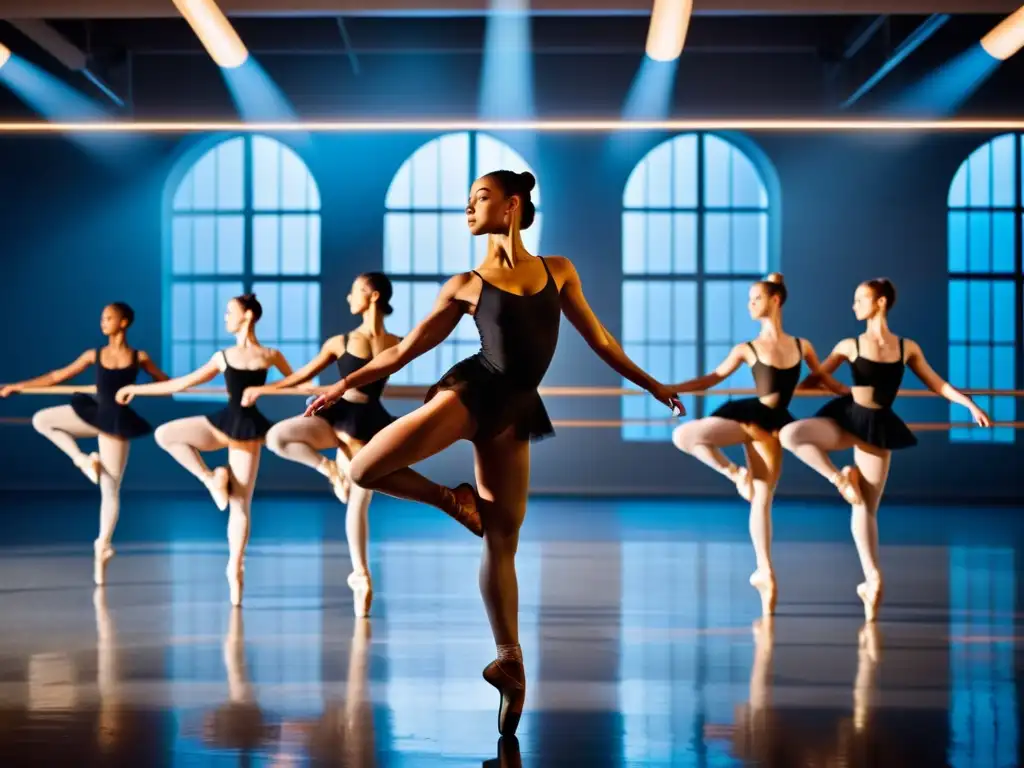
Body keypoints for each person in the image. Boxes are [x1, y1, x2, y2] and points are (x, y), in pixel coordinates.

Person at [304, 169, 681, 736]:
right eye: (467, 200)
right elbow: (404, 350)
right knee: (362, 467)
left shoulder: (559, 271)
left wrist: (651, 383)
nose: (468, 208)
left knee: (503, 535)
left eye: (479, 197)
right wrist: (337, 386)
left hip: (517, 409)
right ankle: (450, 499)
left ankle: (510, 661)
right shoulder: (467, 284)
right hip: (472, 390)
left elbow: (600, 340)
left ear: (512, 206)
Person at [780, 278, 991, 621]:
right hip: (845, 417)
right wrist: (819, 386)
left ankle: (872, 579)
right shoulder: (849, 345)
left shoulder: (907, 348)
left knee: (866, 508)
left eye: (860, 298)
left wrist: (970, 406)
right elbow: (815, 378)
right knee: (791, 434)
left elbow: (937, 383)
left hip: (877, 427)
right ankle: (839, 479)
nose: (854, 305)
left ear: (880, 302)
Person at [669, 273, 843, 616]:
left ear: (775, 300)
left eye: (756, 298)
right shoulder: (747, 349)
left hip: (774, 426)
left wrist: (855, 396)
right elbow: (713, 378)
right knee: (685, 435)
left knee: (763, 500)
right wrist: (670, 387)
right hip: (747, 416)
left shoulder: (802, 346)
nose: (750, 304)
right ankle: (736, 475)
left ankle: (765, 571)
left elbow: (822, 379)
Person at [116, 293, 293, 606]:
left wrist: (264, 389)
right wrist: (136, 388)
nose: (225, 317)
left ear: (248, 316)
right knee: (167, 434)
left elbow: (298, 383)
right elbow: (180, 384)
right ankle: (210, 478)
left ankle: (235, 567)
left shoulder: (270, 355)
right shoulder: (222, 356)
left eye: (230, 312)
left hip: (247, 431)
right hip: (222, 421)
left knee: (240, 503)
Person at [243, 272, 401, 617]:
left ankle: (361, 577)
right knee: (277, 436)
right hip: (337, 422)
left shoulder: (398, 342)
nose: (348, 298)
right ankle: (328, 468)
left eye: (354, 291)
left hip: (369, 429)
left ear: (372, 296)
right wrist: (264, 390)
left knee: (358, 505)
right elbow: (301, 376)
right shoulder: (340, 341)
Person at [0, 302, 168, 585]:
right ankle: (82, 460)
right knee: (43, 420)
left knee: (110, 488)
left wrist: (136, 388)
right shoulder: (95, 354)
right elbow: (57, 376)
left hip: (115, 422)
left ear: (124, 322)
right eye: (102, 317)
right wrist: (19, 386)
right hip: (95, 414)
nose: (103, 322)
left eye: (109, 318)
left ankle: (102, 544)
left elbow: (164, 384)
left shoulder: (139, 357)